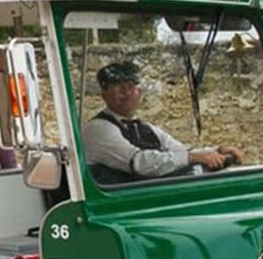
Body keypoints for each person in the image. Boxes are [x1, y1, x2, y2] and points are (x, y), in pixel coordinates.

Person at [82, 61, 244, 185]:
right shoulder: (97, 129)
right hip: (119, 207)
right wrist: (194, 158)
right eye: (118, 88)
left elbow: (179, 150)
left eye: (131, 87)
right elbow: (140, 163)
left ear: (140, 92)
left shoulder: (146, 128)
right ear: (104, 94)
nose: (126, 94)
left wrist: (217, 151)